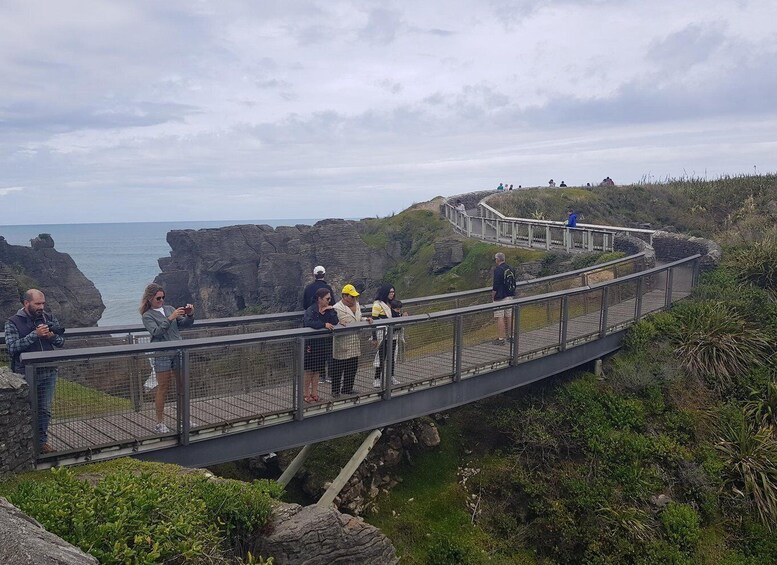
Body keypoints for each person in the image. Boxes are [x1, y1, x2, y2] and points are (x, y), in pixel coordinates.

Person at [5, 289, 65, 453]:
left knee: (44, 409)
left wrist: (51, 337)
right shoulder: (12, 322)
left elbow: (61, 341)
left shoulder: (49, 318)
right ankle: (23, 445)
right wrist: (34, 335)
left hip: (48, 371)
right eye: (38, 303)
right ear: (26, 303)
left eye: (43, 303)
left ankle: (41, 443)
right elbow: (12, 348)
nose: (41, 307)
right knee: (27, 409)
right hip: (26, 373)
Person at [140, 283, 194, 433]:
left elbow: (184, 324)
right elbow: (156, 332)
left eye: (163, 297)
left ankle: (184, 419)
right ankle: (160, 422)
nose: (162, 300)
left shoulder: (170, 308)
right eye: (158, 298)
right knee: (163, 387)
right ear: (150, 299)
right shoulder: (147, 316)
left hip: (178, 350)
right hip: (162, 353)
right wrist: (170, 318)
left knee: (182, 385)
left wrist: (190, 315)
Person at [332, 284, 371, 397]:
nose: (354, 299)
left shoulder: (357, 305)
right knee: (338, 367)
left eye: (355, 297)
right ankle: (335, 390)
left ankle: (348, 388)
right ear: (344, 296)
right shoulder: (337, 308)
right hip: (342, 341)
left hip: (354, 340)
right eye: (351, 296)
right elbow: (334, 322)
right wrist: (338, 324)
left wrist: (365, 319)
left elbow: (358, 318)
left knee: (352, 366)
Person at [303, 287, 338, 402]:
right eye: (327, 299)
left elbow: (335, 321)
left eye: (330, 299)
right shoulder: (311, 309)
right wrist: (323, 324)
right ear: (319, 299)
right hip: (311, 343)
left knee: (317, 369)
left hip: (323, 343)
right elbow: (309, 322)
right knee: (309, 370)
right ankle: (306, 394)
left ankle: (314, 393)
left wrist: (331, 310)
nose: (329, 300)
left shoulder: (328, 309)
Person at [371, 284, 404, 388]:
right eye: (390, 292)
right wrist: (374, 338)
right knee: (381, 356)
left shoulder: (393, 303)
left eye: (393, 292)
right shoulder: (378, 305)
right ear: (385, 292)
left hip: (393, 334)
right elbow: (374, 322)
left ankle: (391, 376)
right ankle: (377, 378)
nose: (392, 294)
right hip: (383, 334)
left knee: (392, 356)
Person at [492, 253, 515, 345]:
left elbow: (496, 285)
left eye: (495, 259)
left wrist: (493, 295)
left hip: (500, 297)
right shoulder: (511, 268)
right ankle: (511, 336)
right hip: (510, 295)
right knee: (509, 316)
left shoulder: (498, 270)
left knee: (500, 317)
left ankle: (501, 339)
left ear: (497, 259)